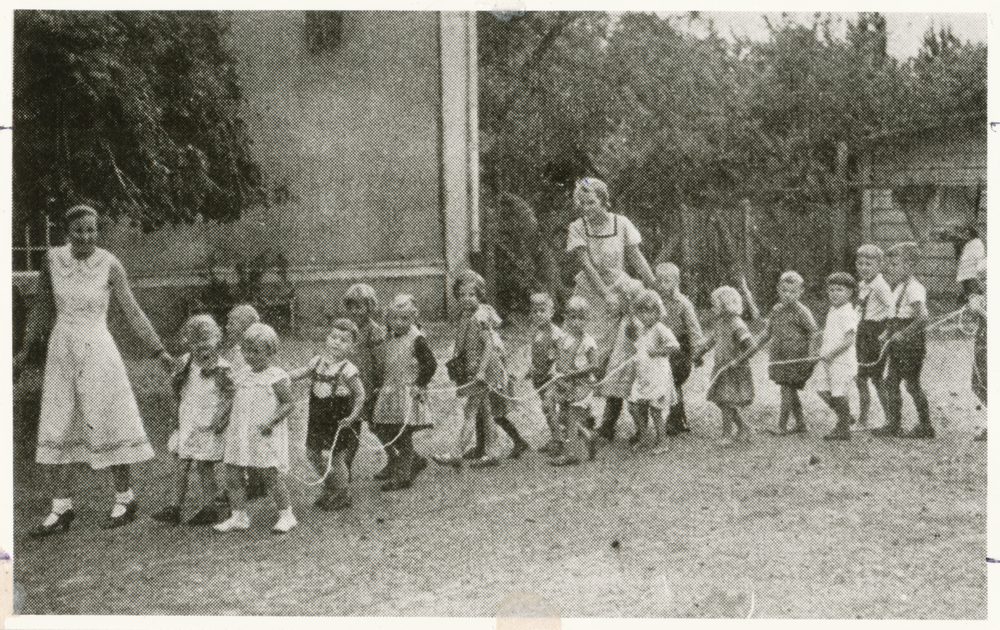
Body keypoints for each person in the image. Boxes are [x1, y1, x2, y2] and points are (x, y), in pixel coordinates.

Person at [16, 205, 175, 537]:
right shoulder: (52, 260)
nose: (86, 236)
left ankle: (125, 498)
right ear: (67, 232)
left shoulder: (110, 264)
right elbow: (43, 307)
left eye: (91, 230)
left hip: (98, 350)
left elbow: (132, 311)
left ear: (97, 231)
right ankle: (61, 509)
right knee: (61, 421)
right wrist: (24, 350)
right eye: (78, 231)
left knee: (108, 418)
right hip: (62, 351)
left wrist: (159, 351)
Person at [565, 178, 656, 410]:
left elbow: (636, 257)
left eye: (591, 203)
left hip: (621, 289)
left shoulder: (622, 223)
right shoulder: (577, 227)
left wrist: (654, 286)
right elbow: (586, 264)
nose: (586, 208)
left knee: (622, 352)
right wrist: (605, 295)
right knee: (581, 352)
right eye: (582, 204)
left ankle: (609, 419)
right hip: (590, 293)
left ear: (604, 201)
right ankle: (577, 417)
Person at [438, 271, 528, 468]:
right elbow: (462, 344)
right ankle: (493, 452)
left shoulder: (480, 317)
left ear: (479, 295)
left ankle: (455, 453)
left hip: (484, 369)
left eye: (471, 295)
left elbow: (489, 346)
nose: (466, 299)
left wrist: (481, 371)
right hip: (474, 368)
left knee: (470, 411)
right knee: (486, 412)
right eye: (461, 295)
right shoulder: (465, 316)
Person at [213, 323, 297, 533]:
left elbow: (288, 403)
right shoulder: (242, 375)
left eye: (256, 352)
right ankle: (239, 516)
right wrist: (222, 418)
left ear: (271, 352)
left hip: (263, 433)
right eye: (246, 351)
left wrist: (271, 421)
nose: (250, 356)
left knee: (269, 474)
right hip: (240, 433)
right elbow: (232, 399)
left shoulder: (275, 376)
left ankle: (287, 515)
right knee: (232, 473)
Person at [151, 315, 233, 526]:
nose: (202, 350)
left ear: (217, 340)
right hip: (188, 420)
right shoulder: (185, 362)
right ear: (189, 343)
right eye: (196, 345)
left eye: (207, 344)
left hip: (208, 423)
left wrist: (221, 417)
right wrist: (175, 418)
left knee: (205, 465)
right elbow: (177, 389)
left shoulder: (222, 368)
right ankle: (174, 507)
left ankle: (210, 507)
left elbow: (230, 395)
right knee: (181, 463)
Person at [287, 319, 366, 510]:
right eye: (334, 337)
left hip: (338, 419)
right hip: (317, 417)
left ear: (352, 347)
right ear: (327, 338)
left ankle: (342, 493)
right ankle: (331, 485)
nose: (337, 342)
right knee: (312, 453)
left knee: (336, 457)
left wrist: (353, 415)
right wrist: (282, 376)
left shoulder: (348, 370)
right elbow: (301, 372)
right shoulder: (317, 362)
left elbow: (360, 394)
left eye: (344, 340)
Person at [372, 295, 437, 490]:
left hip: (407, 393)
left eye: (405, 319)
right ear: (388, 318)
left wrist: (420, 383)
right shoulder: (390, 337)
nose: (399, 323)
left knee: (403, 435)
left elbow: (430, 364)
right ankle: (413, 461)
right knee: (384, 429)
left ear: (413, 318)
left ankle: (403, 476)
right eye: (395, 318)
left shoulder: (417, 339)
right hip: (390, 391)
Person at [873, 242, 933, 439]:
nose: (890, 269)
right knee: (891, 382)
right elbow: (896, 315)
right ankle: (894, 424)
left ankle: (926, 426)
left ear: (910, 266)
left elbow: (922, 318)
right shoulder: (898, 287)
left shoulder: (915, 288)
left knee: (912, 384)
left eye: (895, 265)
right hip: (897, 342)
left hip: (911, 344)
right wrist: (887, 333)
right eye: (889, 265)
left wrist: (904, 334)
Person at [752, 271, 818, 435]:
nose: (787, 295)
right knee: (788, 389)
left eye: (793, 291)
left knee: (787, 389)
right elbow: (768, 333)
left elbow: (814, 333)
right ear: (778, 289)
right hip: (780, 356)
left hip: (796, 357)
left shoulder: (802, 312)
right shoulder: (776, 310)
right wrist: (752, 347)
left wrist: (811, 356)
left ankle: (781, 426)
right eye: (784, 290)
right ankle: (801, 423)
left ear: (800, 292)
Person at [219, 304, 268, 502]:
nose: (227, 326)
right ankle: (256, 482)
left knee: (246, 444)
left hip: (246, 405)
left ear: (247, 327)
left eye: (232, 322)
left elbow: (238, 382)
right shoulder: (238, 350)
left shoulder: (244, 353)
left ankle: (253, 484)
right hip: (245, 404)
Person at [697, 286, 754, 446]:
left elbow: (751, 346)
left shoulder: (737, 324)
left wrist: (739, 360)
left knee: (727, 402)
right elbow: (711, 341)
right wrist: (699, 353)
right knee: (722, 401)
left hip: (733, 370)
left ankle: (727, 435)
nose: (712, 308)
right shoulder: (720, 322)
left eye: (715, 304)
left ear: (725, 305)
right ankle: (744, 427)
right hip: (721, 368)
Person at [342, 284, 387, 480]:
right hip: (350, 387)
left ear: (370, 307)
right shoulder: (347, 330)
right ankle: (345, 469)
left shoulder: (374, 330)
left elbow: (380, 361)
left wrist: (379, 385)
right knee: (351, 428)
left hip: (367, 387)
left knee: (377, 426)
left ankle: (398, 457)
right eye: (351, 307)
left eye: (359, 307)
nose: (354, 312)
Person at [655, 262, 704, 435]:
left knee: (673, 380)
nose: (661, 285)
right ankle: (675, 419)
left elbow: (694, 329)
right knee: (663, 383)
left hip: (679, 350)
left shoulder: (683, 303)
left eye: (666, 281)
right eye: (658, 281)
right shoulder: (656, 301)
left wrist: (698, 352)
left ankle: (676, 420)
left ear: (676, 281)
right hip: (662, 350)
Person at [549, 297, 599, 466]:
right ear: (567, 318)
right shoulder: (563, 338)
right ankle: (587, 435)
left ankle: (572, 454)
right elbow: (559, 358)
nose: (576, 322)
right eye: (572, 318)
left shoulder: (588, 341)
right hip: (566, 383)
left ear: (587, 319)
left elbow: (595, 365)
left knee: (571, 417)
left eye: (581, 318)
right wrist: (556, 369)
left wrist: (575, 373)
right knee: (563, 416)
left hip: (581, 385)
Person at [628, 289, 680, 453]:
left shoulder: (659, 328)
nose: (644, 316)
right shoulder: (643, 329)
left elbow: (675, 345)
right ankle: (643, 436)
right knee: (634, 406)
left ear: (657, 312)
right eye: (641, 312)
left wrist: (657, 351)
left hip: (657, 375)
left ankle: (662, 442)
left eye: (649, 311)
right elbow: (634, 339)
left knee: (656, 410)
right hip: (644, 375)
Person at [595, 276, 644, 444]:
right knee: (613, 396)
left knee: (635, 400)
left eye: (621, 300)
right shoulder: (621, 319)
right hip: (618, 364)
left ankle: (641, 431)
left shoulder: (635, 320)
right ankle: (606, 428)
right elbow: (612, 341)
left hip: (632, 365)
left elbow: (637, 340)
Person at [854, 245, 893, 431]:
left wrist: (887, 331)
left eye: (868, 264)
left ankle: (890, 418)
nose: (863, 268)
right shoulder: (863, 285)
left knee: (876, 378)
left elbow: (892, 309)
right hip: (862, 332)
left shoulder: (880, 285)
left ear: (879, 265)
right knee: (860, 378)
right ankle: (863, 419)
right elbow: (860, 310)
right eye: (860, 263)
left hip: (874, 333)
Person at [818, 273, 860, 441]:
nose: (834, 293)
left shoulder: (847, 312)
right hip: (828, 360)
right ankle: (845, 416)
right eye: (832, 290)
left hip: (842, 361)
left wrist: (832, 353)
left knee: (838, 393)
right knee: (822, 390)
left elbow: (849, 340)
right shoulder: (833, 310)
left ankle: (843, 429)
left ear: (849, 292)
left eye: (839, 290)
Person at [526, 293, 565, 455]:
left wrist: (556, 367)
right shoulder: (535, 331)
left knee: (548, 406)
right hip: (539, 377)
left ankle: (559, 440)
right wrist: (531, 368)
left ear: (551, 312)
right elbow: (536, 352)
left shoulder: (556, 333)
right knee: (548, 410)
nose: (538, 315)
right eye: (535, 311)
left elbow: (562, 354)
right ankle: (557, 436)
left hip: (552, 377)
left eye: (542, 311)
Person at [969, 260, 987, 442]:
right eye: (981, 278)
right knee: (978, 384)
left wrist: (980, 310)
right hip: (981, 344)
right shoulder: (982, 297)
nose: (985, 282)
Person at [954, 225, 985, 304]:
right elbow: (963, 257)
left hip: (972, 271)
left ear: (972, 234)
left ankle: (975, 303)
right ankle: (970, 302)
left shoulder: (977, 243)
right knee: (968, 290)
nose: (965, 235)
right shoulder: (968, 244)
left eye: (967, 233)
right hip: (966, 271)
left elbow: (979, 257)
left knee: (973, 291)